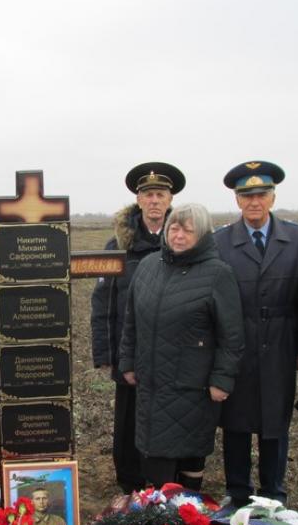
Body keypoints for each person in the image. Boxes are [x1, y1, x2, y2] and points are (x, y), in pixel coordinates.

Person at [119, 204, 244, 491]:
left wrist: (222, 379)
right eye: (174, 227)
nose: (178, 235)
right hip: (151, 380)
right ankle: (158, 509)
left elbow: (232, 335)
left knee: (188, 452)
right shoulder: (149, 266)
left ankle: (187, 510)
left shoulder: (217, 274)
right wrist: (126, 361)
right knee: (153, 450)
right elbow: (131, 320)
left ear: (202, 235)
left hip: (192, 384)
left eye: (188, 230)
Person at [214, 161, 298, 508]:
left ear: (272, 197)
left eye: (261, 194)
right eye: (246, 195)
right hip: (238, 342)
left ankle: (273, 492)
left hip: (281, 342)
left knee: (275, 420)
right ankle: (237, 490)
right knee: (236, 421)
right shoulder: (221, 241)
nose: (254, 202)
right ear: (237, 200)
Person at [91, 161, 185, 494]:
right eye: (148, 194)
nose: (155, 201)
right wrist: (104, 351)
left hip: (172, 350)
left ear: (170, 199)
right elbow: (103, 300)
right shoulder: (118, 244)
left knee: (166, 414)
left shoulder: (183, 241)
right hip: (128, 347)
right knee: (129, 416)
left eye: (161, 194)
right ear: (139, 199)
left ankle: (163, 479)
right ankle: (130, 480)